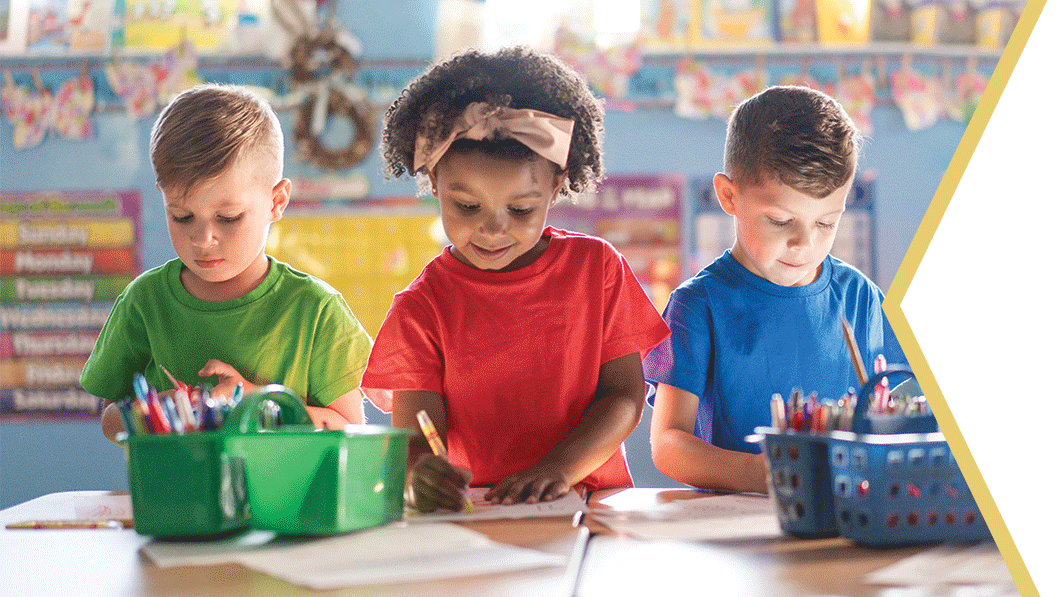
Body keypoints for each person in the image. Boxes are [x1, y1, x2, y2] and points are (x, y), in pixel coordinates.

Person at [360, 47, 670, 512]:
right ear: (433, 180)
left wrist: (557, 469)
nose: (493, 228)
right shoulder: (421, 308)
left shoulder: (597, 270)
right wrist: (420, 473)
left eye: (521, 209)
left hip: (588, 507)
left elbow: (624, 396)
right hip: (482, 518)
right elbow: (417, 438)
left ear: (556, 184)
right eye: (467, 206)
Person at [644, 86, 907, 494]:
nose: (805, 244)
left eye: (825, 223)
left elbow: (897, 416)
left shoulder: (862, 298)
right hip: (736, 527)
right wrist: (779, 474)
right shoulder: (698, 306)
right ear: (729, 196)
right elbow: (668, 445)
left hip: (846, 520)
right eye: (781, 221)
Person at [81, 84, 373, 443]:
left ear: (277, 201)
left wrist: (257, 402)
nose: (203, 239)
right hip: (174, 498)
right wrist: (155, 415)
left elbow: (351, 429)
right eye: (183, 216)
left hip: (288, 500)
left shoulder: (316, 310)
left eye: (230, 217)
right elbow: (111, 419)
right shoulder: (144, 302)